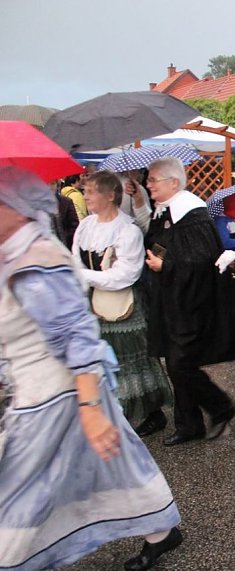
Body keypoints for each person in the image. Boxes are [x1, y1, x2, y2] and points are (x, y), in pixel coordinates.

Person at [0, 166, 181, 571]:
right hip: (48, 388)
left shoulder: (37, 257)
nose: (89, 196)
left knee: (20, 491)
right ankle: (161, 528)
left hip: (57, 393)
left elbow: (76, 333)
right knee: (118, 461)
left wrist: (90, 409)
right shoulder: (22, 251)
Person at [142, 157, 235, 446]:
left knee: (180, 363)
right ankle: (189, 424)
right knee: (174, 361)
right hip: (172, 298)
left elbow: (201, 261)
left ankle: (220, 406)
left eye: (152, 180)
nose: (148, 184)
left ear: (173, 182)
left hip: (194, 302)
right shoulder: (165, 211)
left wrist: (167, 267)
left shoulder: (193, 214)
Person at [73, 171, 173, 437]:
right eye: (85, 191)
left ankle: (151, 413)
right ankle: (112, 410)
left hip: (125, 304)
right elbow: (74, 259)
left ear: (110, 195)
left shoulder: (127, 230)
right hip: (93, 301)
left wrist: (84, 275)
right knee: (102, 359)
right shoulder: (85, 226)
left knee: (132, 360)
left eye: (90, 191)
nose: (86, 196)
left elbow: (125, 274)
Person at [49, 178, 79, 248]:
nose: (49, 187)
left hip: (63, 246)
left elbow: (74, 226)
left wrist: (61, 238)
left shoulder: (66, 202)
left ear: (57, 185)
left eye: (52, 183)